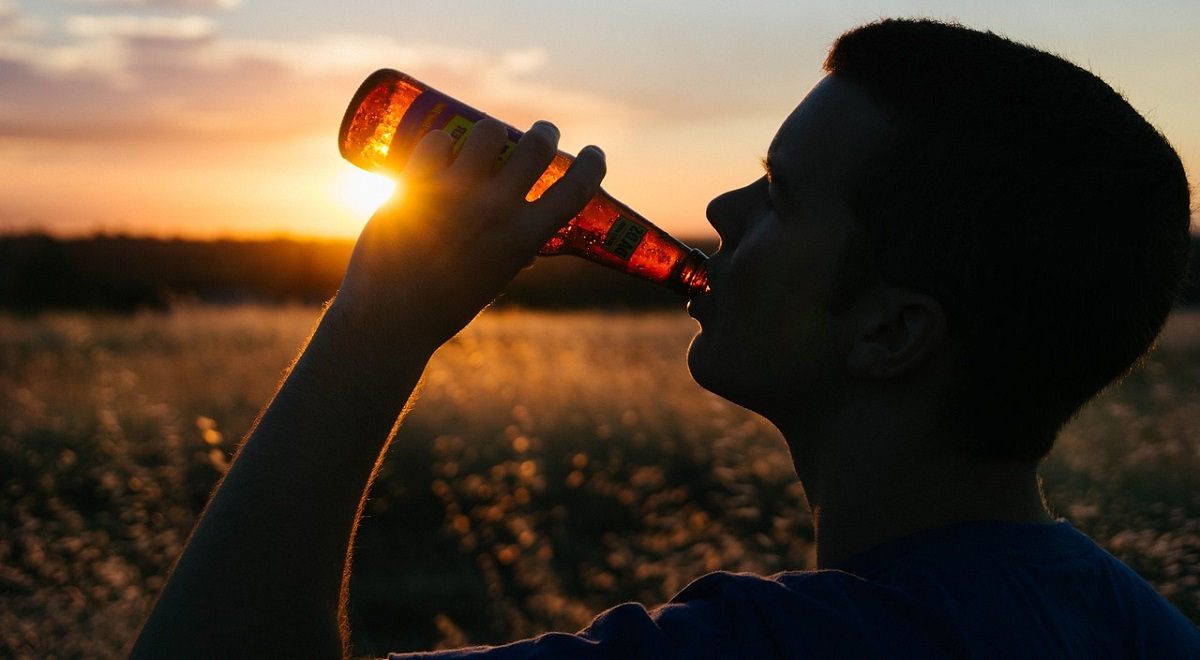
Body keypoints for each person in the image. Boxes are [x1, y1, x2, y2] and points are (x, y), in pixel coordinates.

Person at [131, 18, 1198, 659]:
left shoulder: (785, 648)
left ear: (890, 334)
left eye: (779, 195)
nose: (724, 207)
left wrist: (375, 331)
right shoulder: (1133, 624)